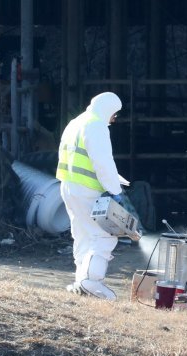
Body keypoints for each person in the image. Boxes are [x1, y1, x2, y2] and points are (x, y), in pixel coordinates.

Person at [56, 92, 124, 300]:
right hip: (89, 190)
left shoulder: (76, 122)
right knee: (104, 235)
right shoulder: (96, 126)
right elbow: (103, 162)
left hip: (69, 186)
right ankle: (92, 281)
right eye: (115, 114)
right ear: (108, 109)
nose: (114, 119)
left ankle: (80, 280)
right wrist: (115, 190)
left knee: (83, 234)